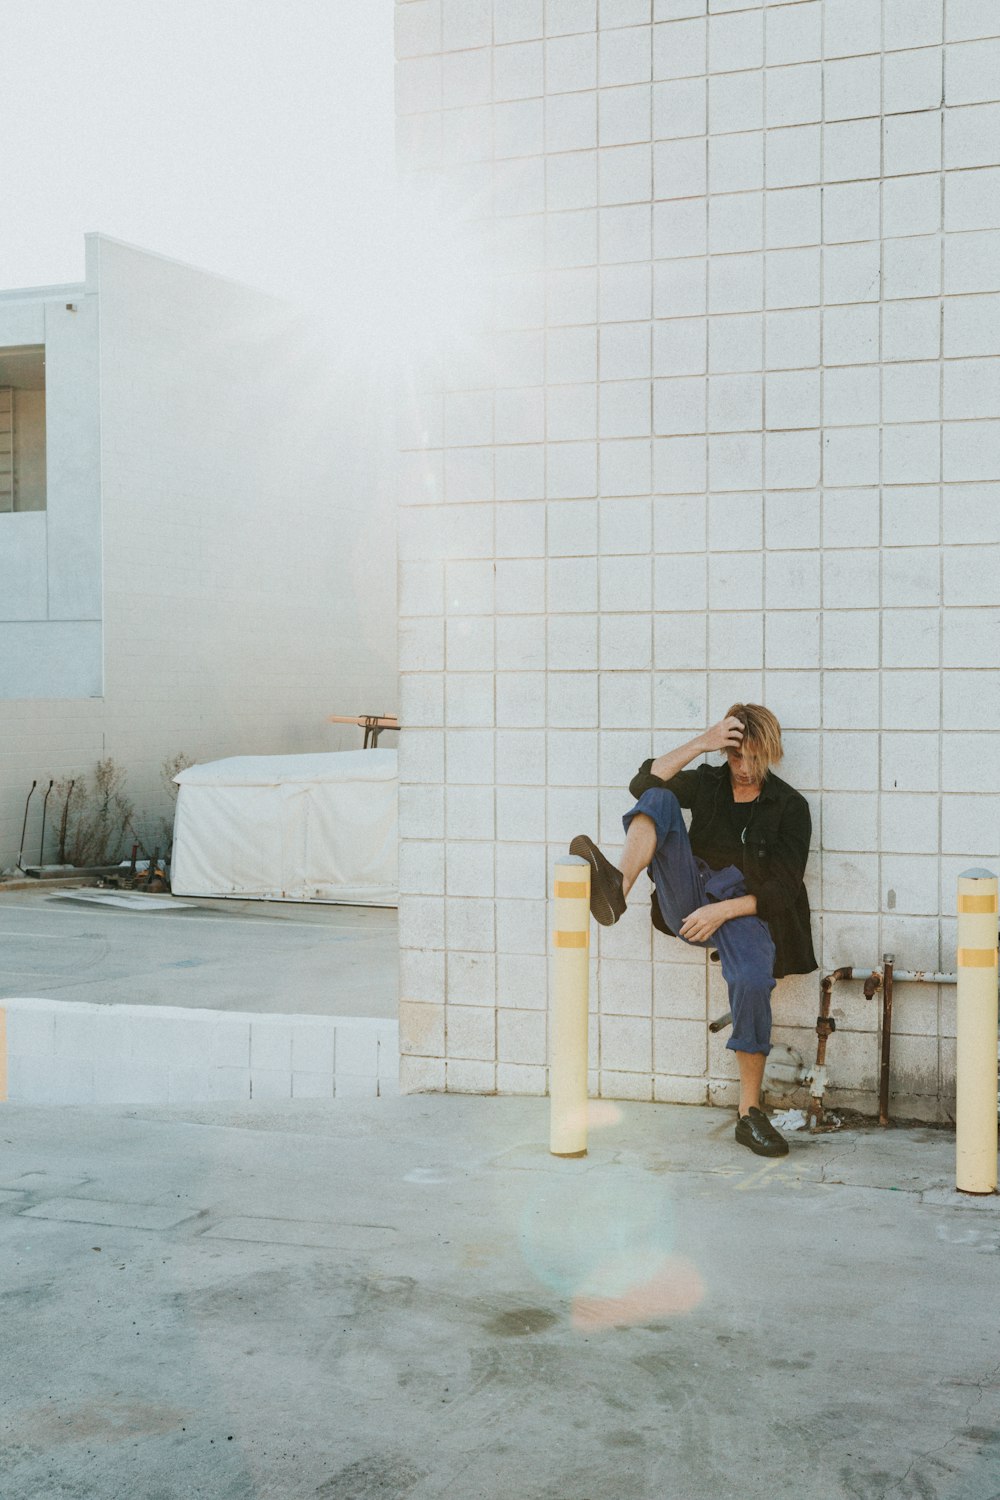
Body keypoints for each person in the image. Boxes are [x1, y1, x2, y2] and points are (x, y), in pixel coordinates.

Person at [571, 703, 817, 1158]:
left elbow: (782, 890)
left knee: (751, 980)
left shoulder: (790, 807)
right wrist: (702, 742)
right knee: (660, 798)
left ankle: (749, 1112)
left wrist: (722, 912)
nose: (743, 769)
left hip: (745, 905)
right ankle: (616, 888)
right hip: (690, 890)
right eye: (735, 756)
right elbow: (642, 782)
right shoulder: (709, 781)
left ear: (772, 753)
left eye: (754, 758)